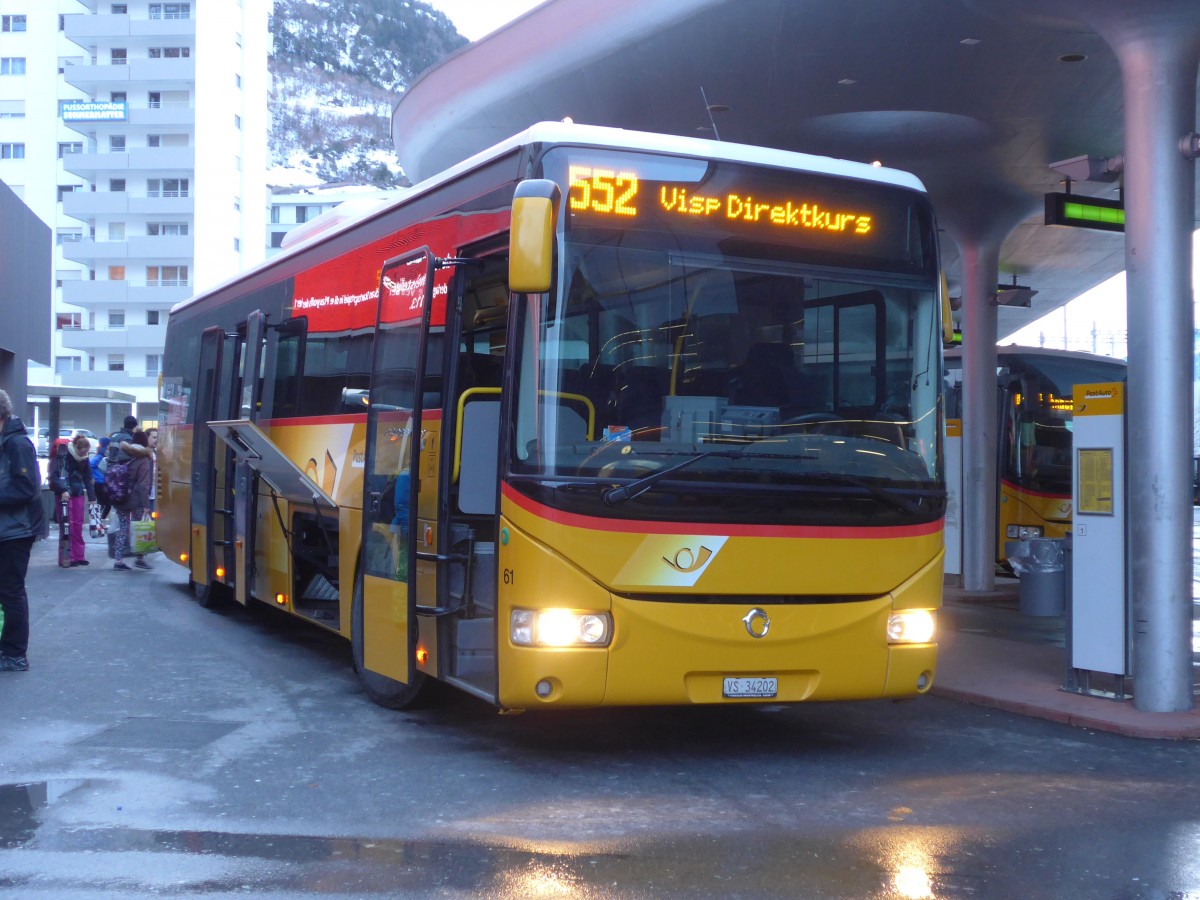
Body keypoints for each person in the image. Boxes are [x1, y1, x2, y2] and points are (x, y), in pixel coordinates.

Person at [0, 389, 42, 672]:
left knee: (11, 591)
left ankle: (15, 654)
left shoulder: (16, 444)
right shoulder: (7, 442)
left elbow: (27, 488)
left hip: (15, 531)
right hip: (7, 529)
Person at [112, 430, 153, 571]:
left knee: (123, 527)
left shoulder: (123, 454)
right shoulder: (143, 459)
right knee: (139, 528)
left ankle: (118, 560)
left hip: (120, 495)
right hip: (136, 500)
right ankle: (140, 558)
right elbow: (143, 484)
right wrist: (146, 504)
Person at [63, 434, 96, 567]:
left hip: (77, 492)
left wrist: (92, 497)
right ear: (76, 447)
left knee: (77, 525)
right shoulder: (66, 455)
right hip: (67, 493)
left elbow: (88, 477)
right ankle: (70, 556)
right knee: (70, 526)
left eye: (86, 452)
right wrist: (63, 490)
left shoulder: (84, 458)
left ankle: (78, 556)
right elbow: (85, 477)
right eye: (83, 451)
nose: (85, 454)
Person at [90, 435, 111, 533]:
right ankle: (99, 522)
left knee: (103, 504)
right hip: (101, 483)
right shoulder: (101, 456)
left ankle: (98, 522)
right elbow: (91, 465)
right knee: (104, 504)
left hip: (101, 483)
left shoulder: (101, 455)